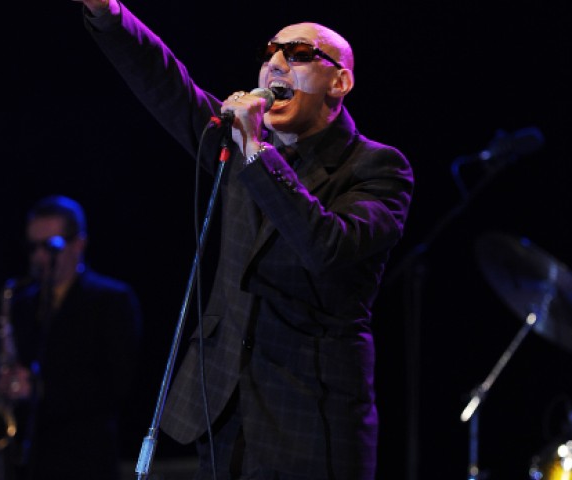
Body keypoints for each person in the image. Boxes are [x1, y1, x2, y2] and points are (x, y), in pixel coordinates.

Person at [72, 1, 414, 478]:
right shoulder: (238, 143)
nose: (275, 62)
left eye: (296, 53)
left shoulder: (377, 168)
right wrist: (107, 11)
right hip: (222, 406)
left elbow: (325, 248)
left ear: (340, 82)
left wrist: (254, 150)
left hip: (310, 418)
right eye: (270, 52)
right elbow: (167, 83)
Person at [0, 194, 143, 480]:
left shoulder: (111, 300)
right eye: (33, 246)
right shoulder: (22, 303)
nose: (40, 257)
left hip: (85, 459)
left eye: (51, 246)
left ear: (79, 244)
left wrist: (39, 389)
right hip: (31, 460)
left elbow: (116, 385)